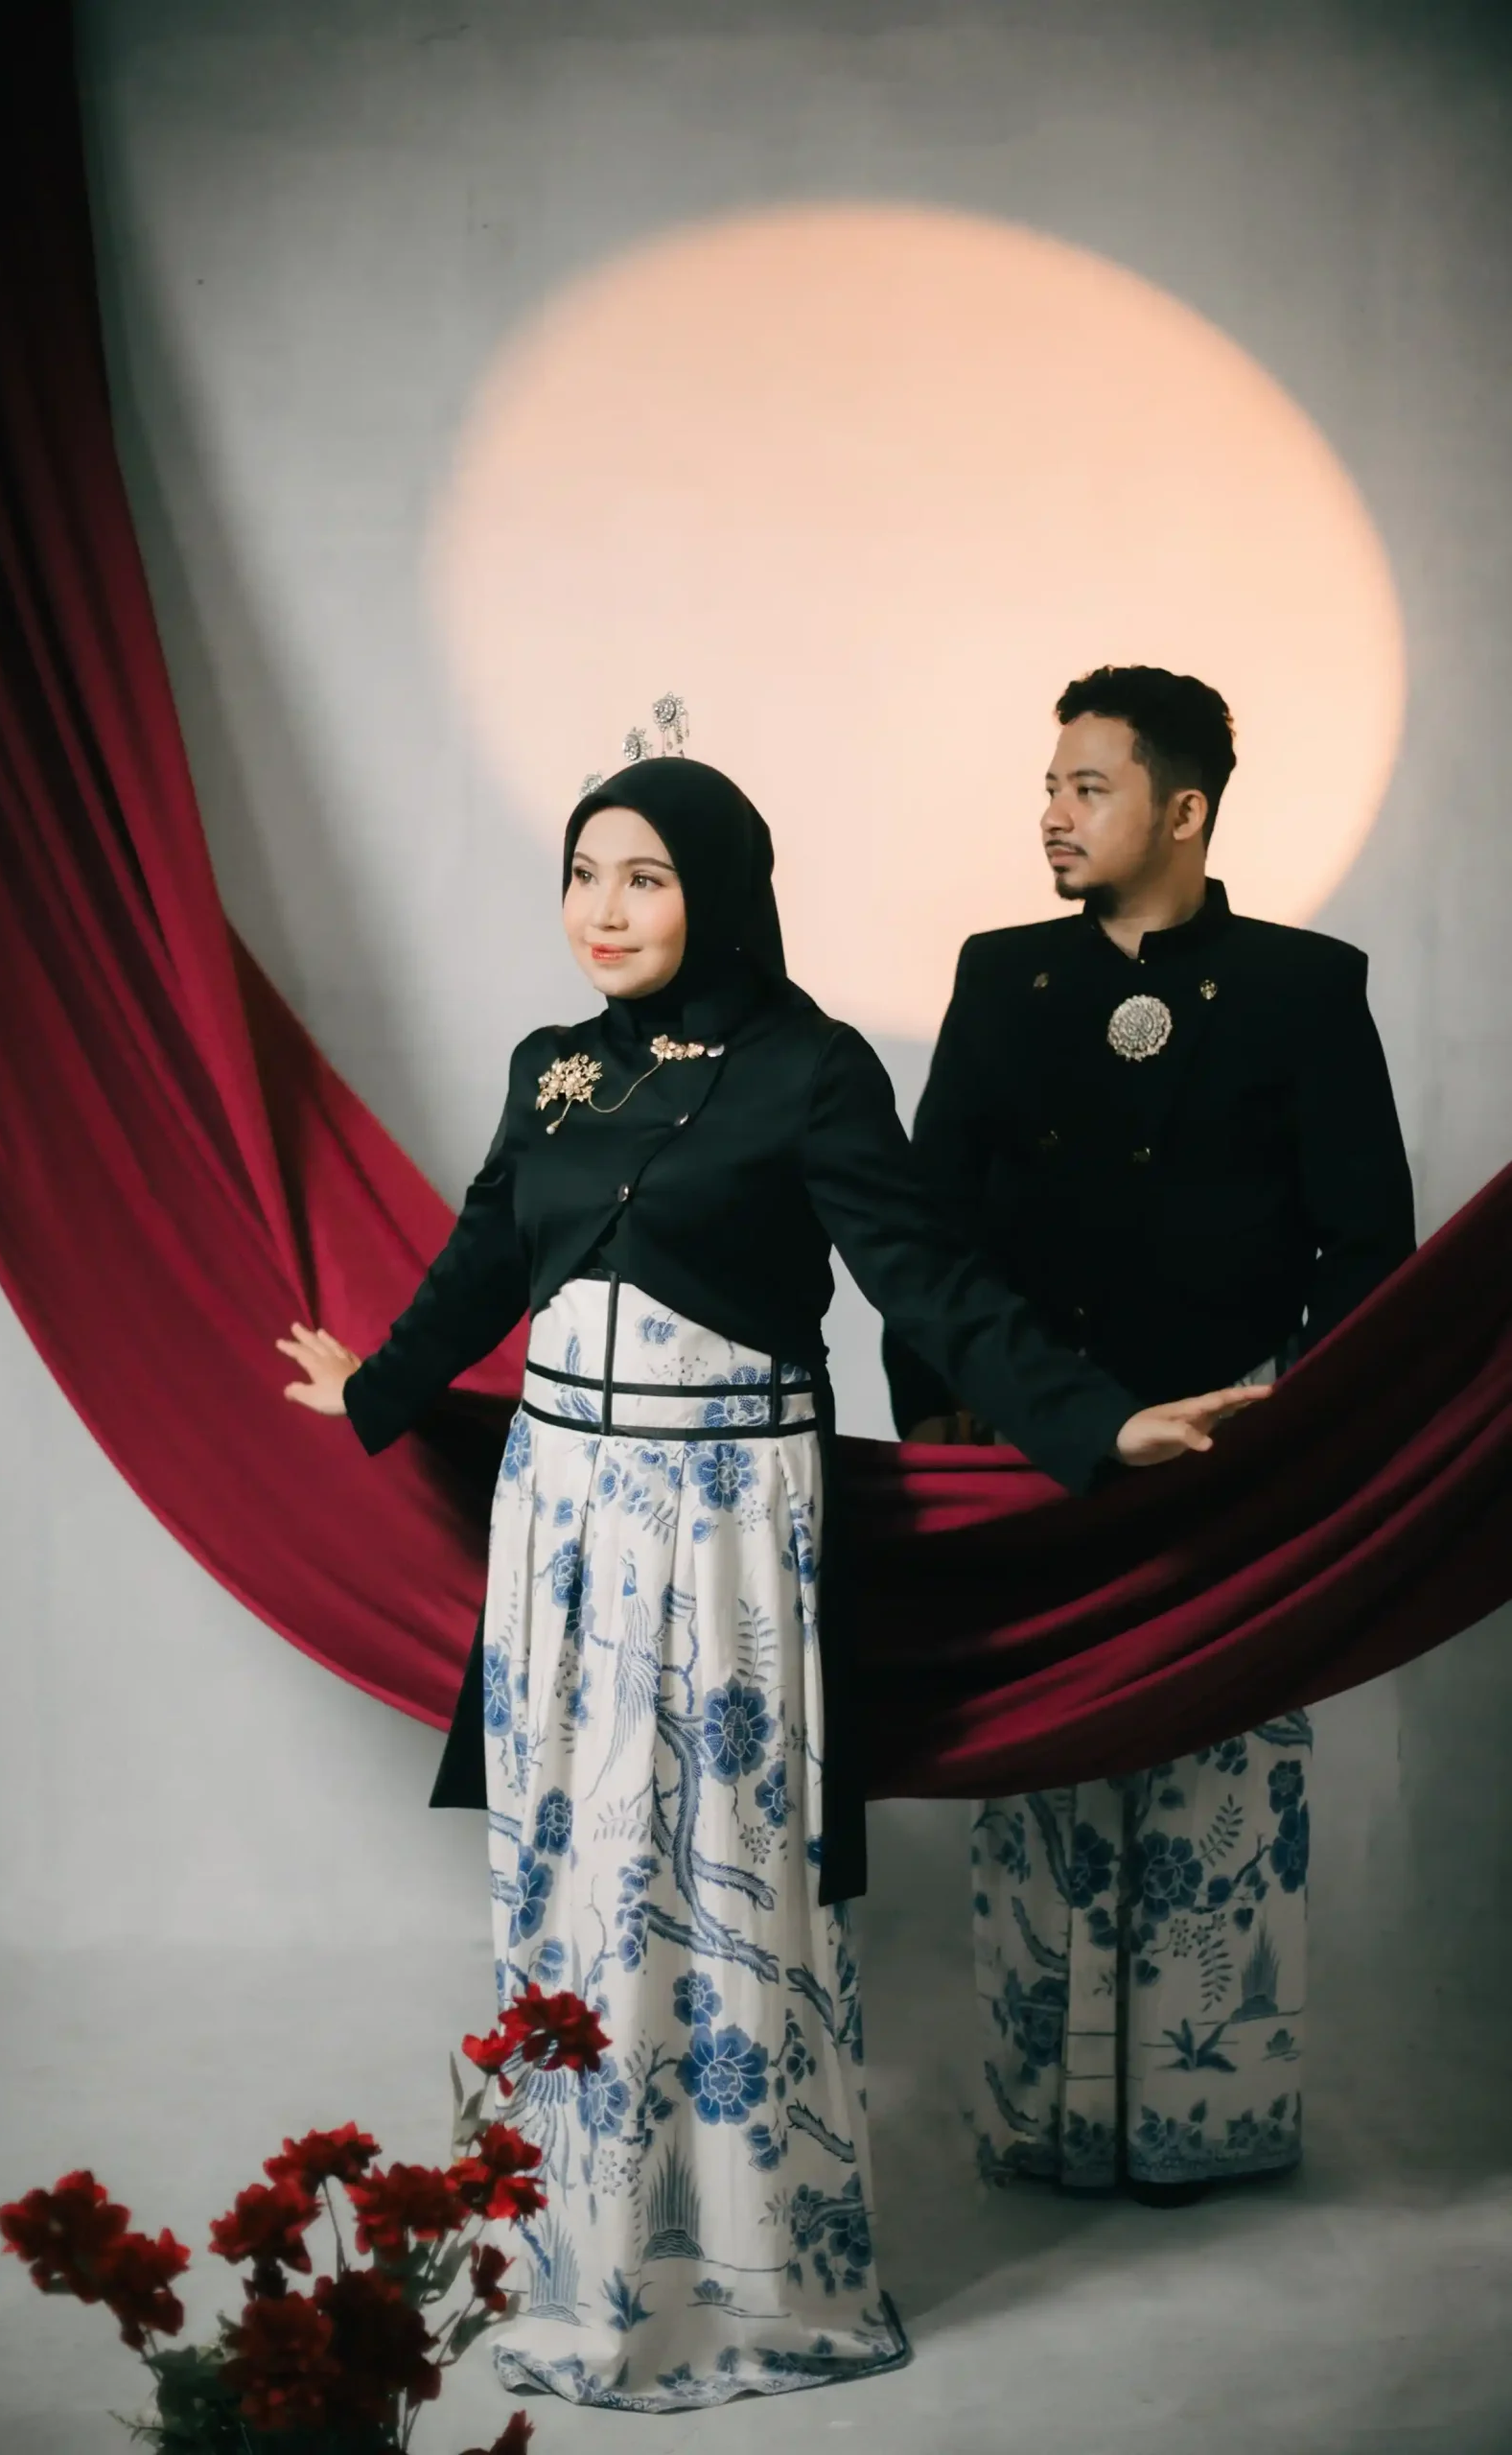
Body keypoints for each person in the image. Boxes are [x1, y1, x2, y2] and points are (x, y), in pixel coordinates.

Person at [279, 757, 1265, 2408]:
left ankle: (748, 2273)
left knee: (722, 1870)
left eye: (645, 877)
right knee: (577, 1874)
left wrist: (1096, 1422)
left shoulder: (809, 1069)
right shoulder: (551, 1071)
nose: (602, 910)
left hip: (725, 1519)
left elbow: (929, 1282)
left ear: (720, 892)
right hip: (564, 1522)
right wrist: (374, 1389)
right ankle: (583, 2254)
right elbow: (482, 1258)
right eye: (583, 872)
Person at [884, 666, 1415, 2204]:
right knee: (1040, 1786)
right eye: (1047, 788)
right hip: (1029, 1453)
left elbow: (1364, 1245)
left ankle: (1204, 2124)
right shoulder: (999, 979)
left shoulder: (1305, 988)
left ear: (1181, 811)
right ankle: (1042, 2121)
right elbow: (927, 1233)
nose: (1051, 814)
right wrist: (945, 1415)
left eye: (1086, 787)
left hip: (1227, 1463)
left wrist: (1293, 1424)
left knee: (1217, 1789)